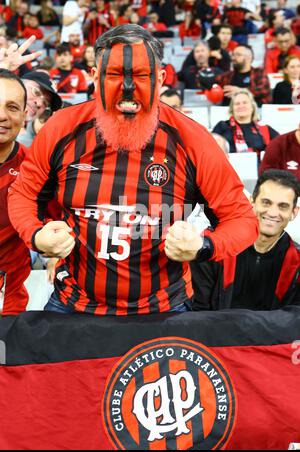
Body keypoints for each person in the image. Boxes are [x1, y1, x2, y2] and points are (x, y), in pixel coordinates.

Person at [8, 24, 258, 316]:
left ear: (161, 78)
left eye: (141, 76)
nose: (128, 90)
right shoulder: (61, 129)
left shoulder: (192, 139)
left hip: (164, 308)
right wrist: (37, 236)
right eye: (114, 75)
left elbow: (242, 219)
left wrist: (203, 246)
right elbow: (22, 195)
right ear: (94, 76)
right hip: (73, 303)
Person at [191, 169, 300, 310]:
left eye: (282, 206)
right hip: (216, 331)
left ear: (293, 212)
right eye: (266, 203)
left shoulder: (297, 263)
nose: (273, 213)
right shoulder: (214, 247)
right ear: (251, 202)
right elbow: (198, 313)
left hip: (274, 333)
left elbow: (294, 321)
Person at [0, 68, 31, 315]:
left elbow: (58, 220)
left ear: (25, 115)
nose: (2, 116)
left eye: (11, 107)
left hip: (7, 304)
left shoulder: (33, 166)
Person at [212, 89, 278, 160]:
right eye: (237, 104)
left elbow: (282, 144)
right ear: (232, 108)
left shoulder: (265, 128)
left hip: (259, 168)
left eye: (245, 102)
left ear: (252, 107)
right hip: (230, 167)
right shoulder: (222, 126)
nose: (241, 106)